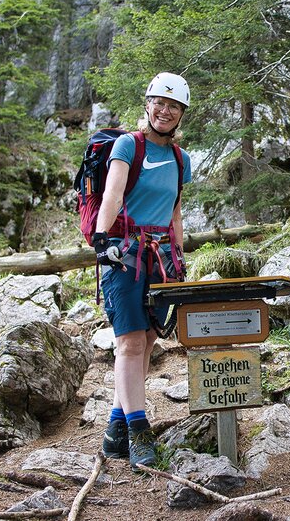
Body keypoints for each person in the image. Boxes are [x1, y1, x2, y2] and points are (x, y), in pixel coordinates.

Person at [92, 72, 192, 470]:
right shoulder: (127, 146)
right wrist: (102, 240)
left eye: (174, 107)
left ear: (181, 114)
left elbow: (175, 211)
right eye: (159, 103)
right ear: (147, 104)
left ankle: (115, 429)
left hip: (161, 257)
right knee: (131, 344)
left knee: (149, 340)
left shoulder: (180, 158)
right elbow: (113, 195)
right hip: (124, 255)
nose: (165, 111)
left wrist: (180, 257)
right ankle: (138, 431)